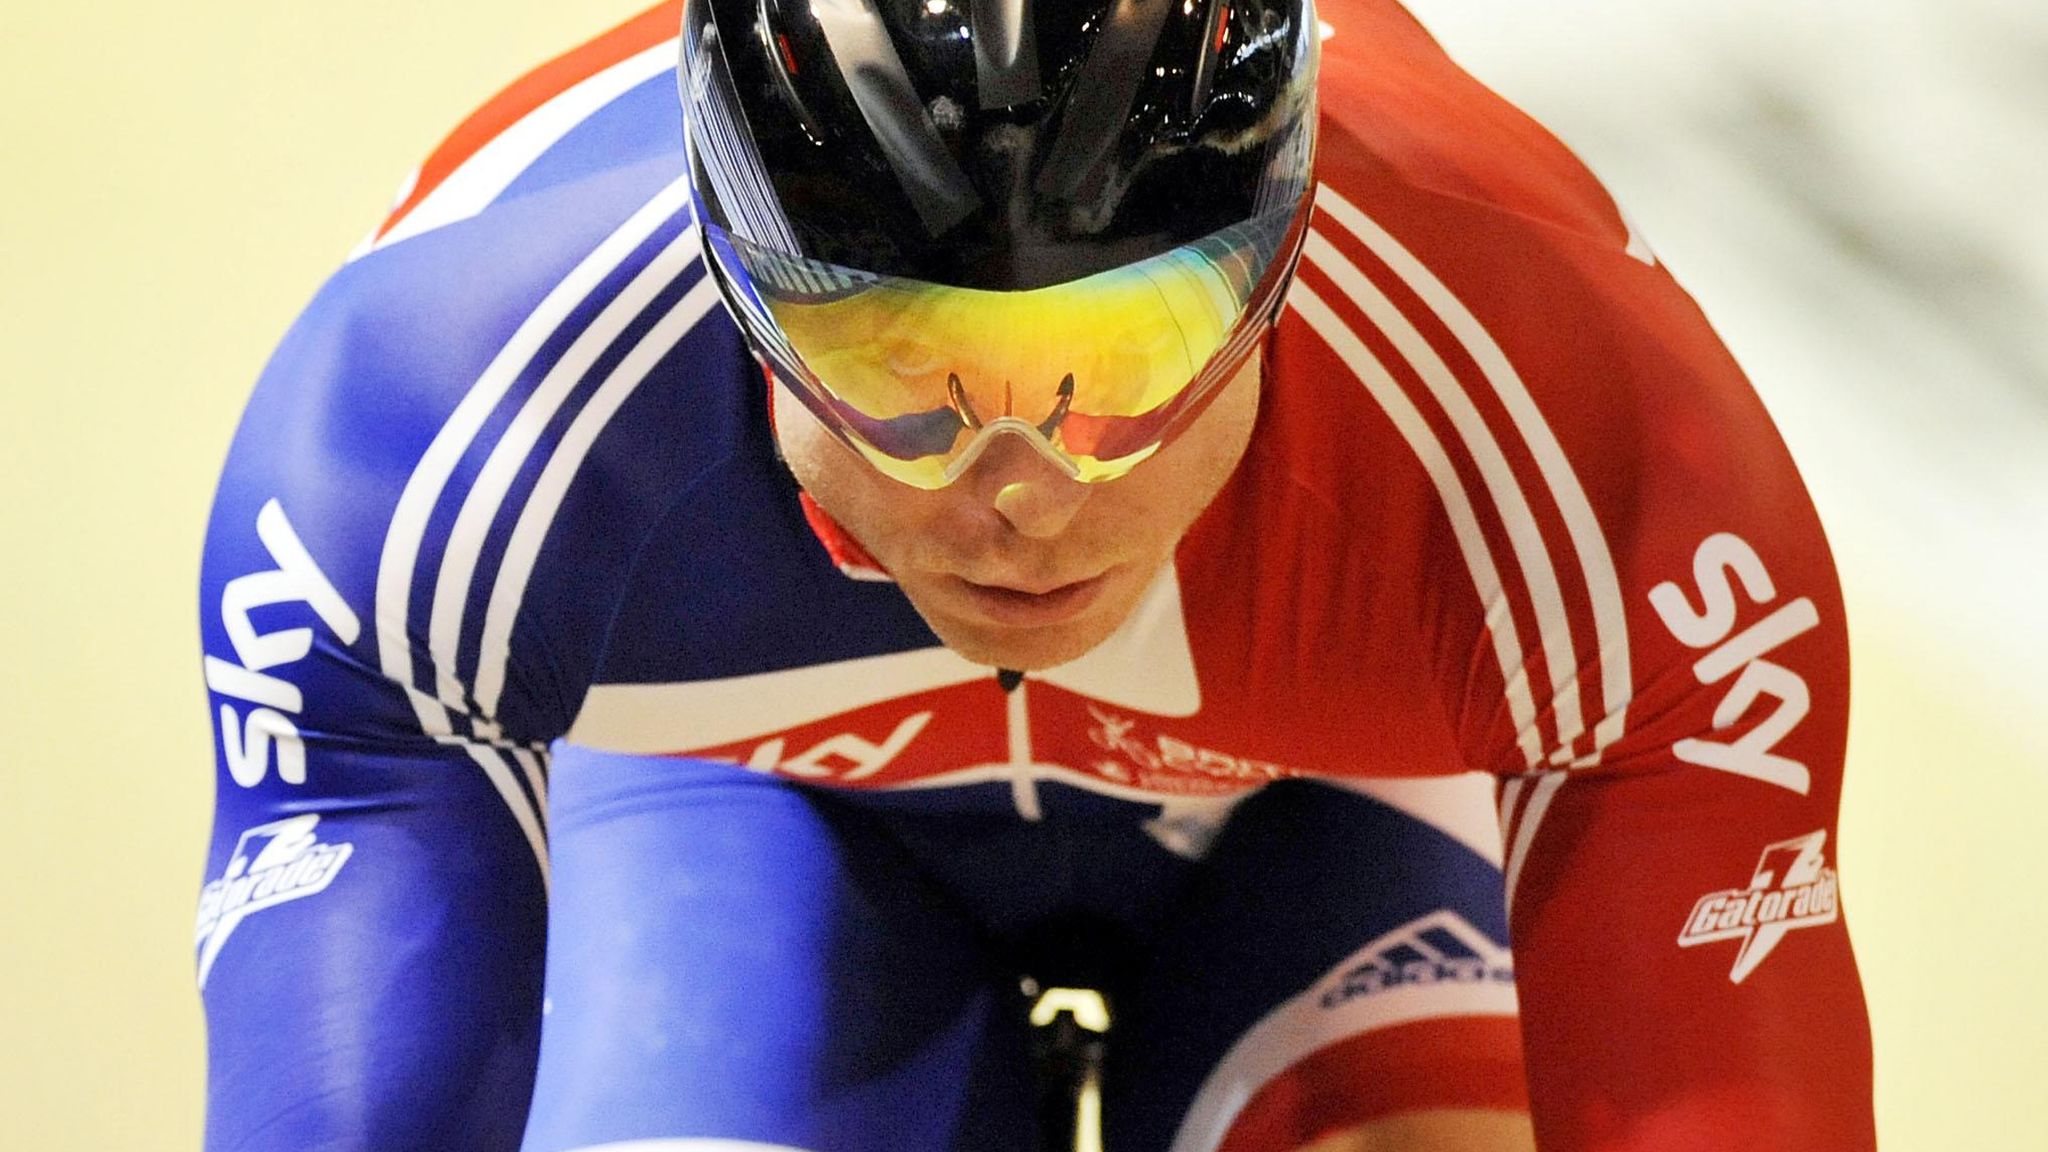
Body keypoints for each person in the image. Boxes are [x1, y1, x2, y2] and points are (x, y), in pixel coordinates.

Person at [192, 0, 1875, 1148]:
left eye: (1131, 352)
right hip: (752, 817)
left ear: (1284, 264)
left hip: (1333, 819)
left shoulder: (1597, 449)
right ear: (733, 276)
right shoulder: (433, 427)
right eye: (901, 356)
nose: (1029, 495)